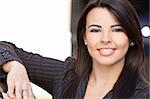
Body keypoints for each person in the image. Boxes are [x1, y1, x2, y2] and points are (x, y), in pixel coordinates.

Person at [0, 0, 149, 98]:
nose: (105, 39)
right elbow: (3, 48)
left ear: (131, 39)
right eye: (95, 30)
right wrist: (15, 67)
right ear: (84, 38)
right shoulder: (67, 75)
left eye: (117, 30)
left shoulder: (143, 95)